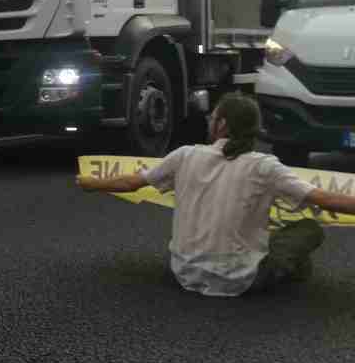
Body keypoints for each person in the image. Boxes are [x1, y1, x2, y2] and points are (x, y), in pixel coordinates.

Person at [77, 93, 355, 296]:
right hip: (240, 280)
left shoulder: (184, 155)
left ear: (221, 125)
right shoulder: (265, 166)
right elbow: (327, 200)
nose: (210, 121)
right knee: (308, 229)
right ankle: (290, 275)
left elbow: (130, 183)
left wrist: (91, 183)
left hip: (182, 273)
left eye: (213, 117)